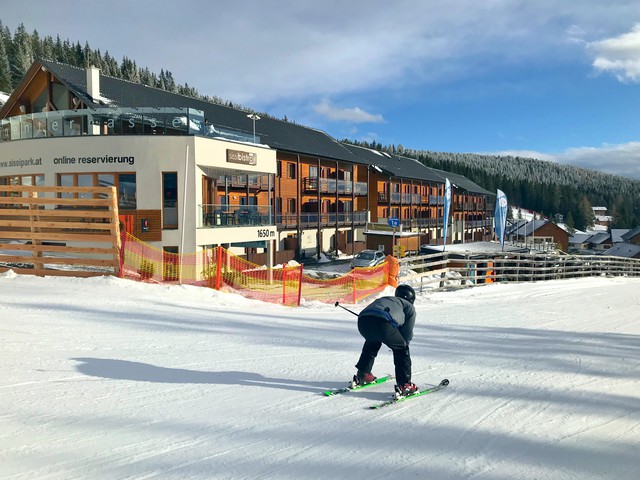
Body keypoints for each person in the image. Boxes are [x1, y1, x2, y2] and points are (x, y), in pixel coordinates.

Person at [353, 284, 418, 397]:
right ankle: (405, 385)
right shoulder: (409, 307)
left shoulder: (386, 299)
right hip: (382, 323)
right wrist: (402, 343)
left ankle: (363, 374)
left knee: (372, 342)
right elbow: (407, 334)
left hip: (363, 321)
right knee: (401, 349)